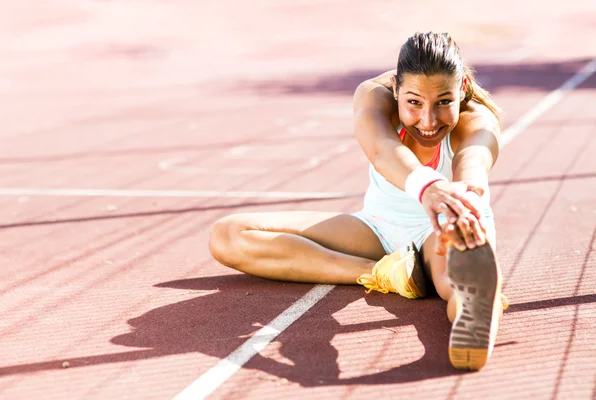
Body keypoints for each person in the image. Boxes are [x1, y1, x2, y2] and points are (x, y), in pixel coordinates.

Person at [208, 32, 507, 371]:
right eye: (413, 103)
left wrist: (461, 202)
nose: (428, 121)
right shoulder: (372, 96)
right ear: (395, 88)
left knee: (462, 289)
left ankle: (476, 306)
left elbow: (473, 165)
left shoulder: (478, 118)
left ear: (463, 88)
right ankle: (389, 274)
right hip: (377, 229)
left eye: (443, 102)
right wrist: (429, 188)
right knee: (228, 234)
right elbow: (381, 149)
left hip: (444, 229)